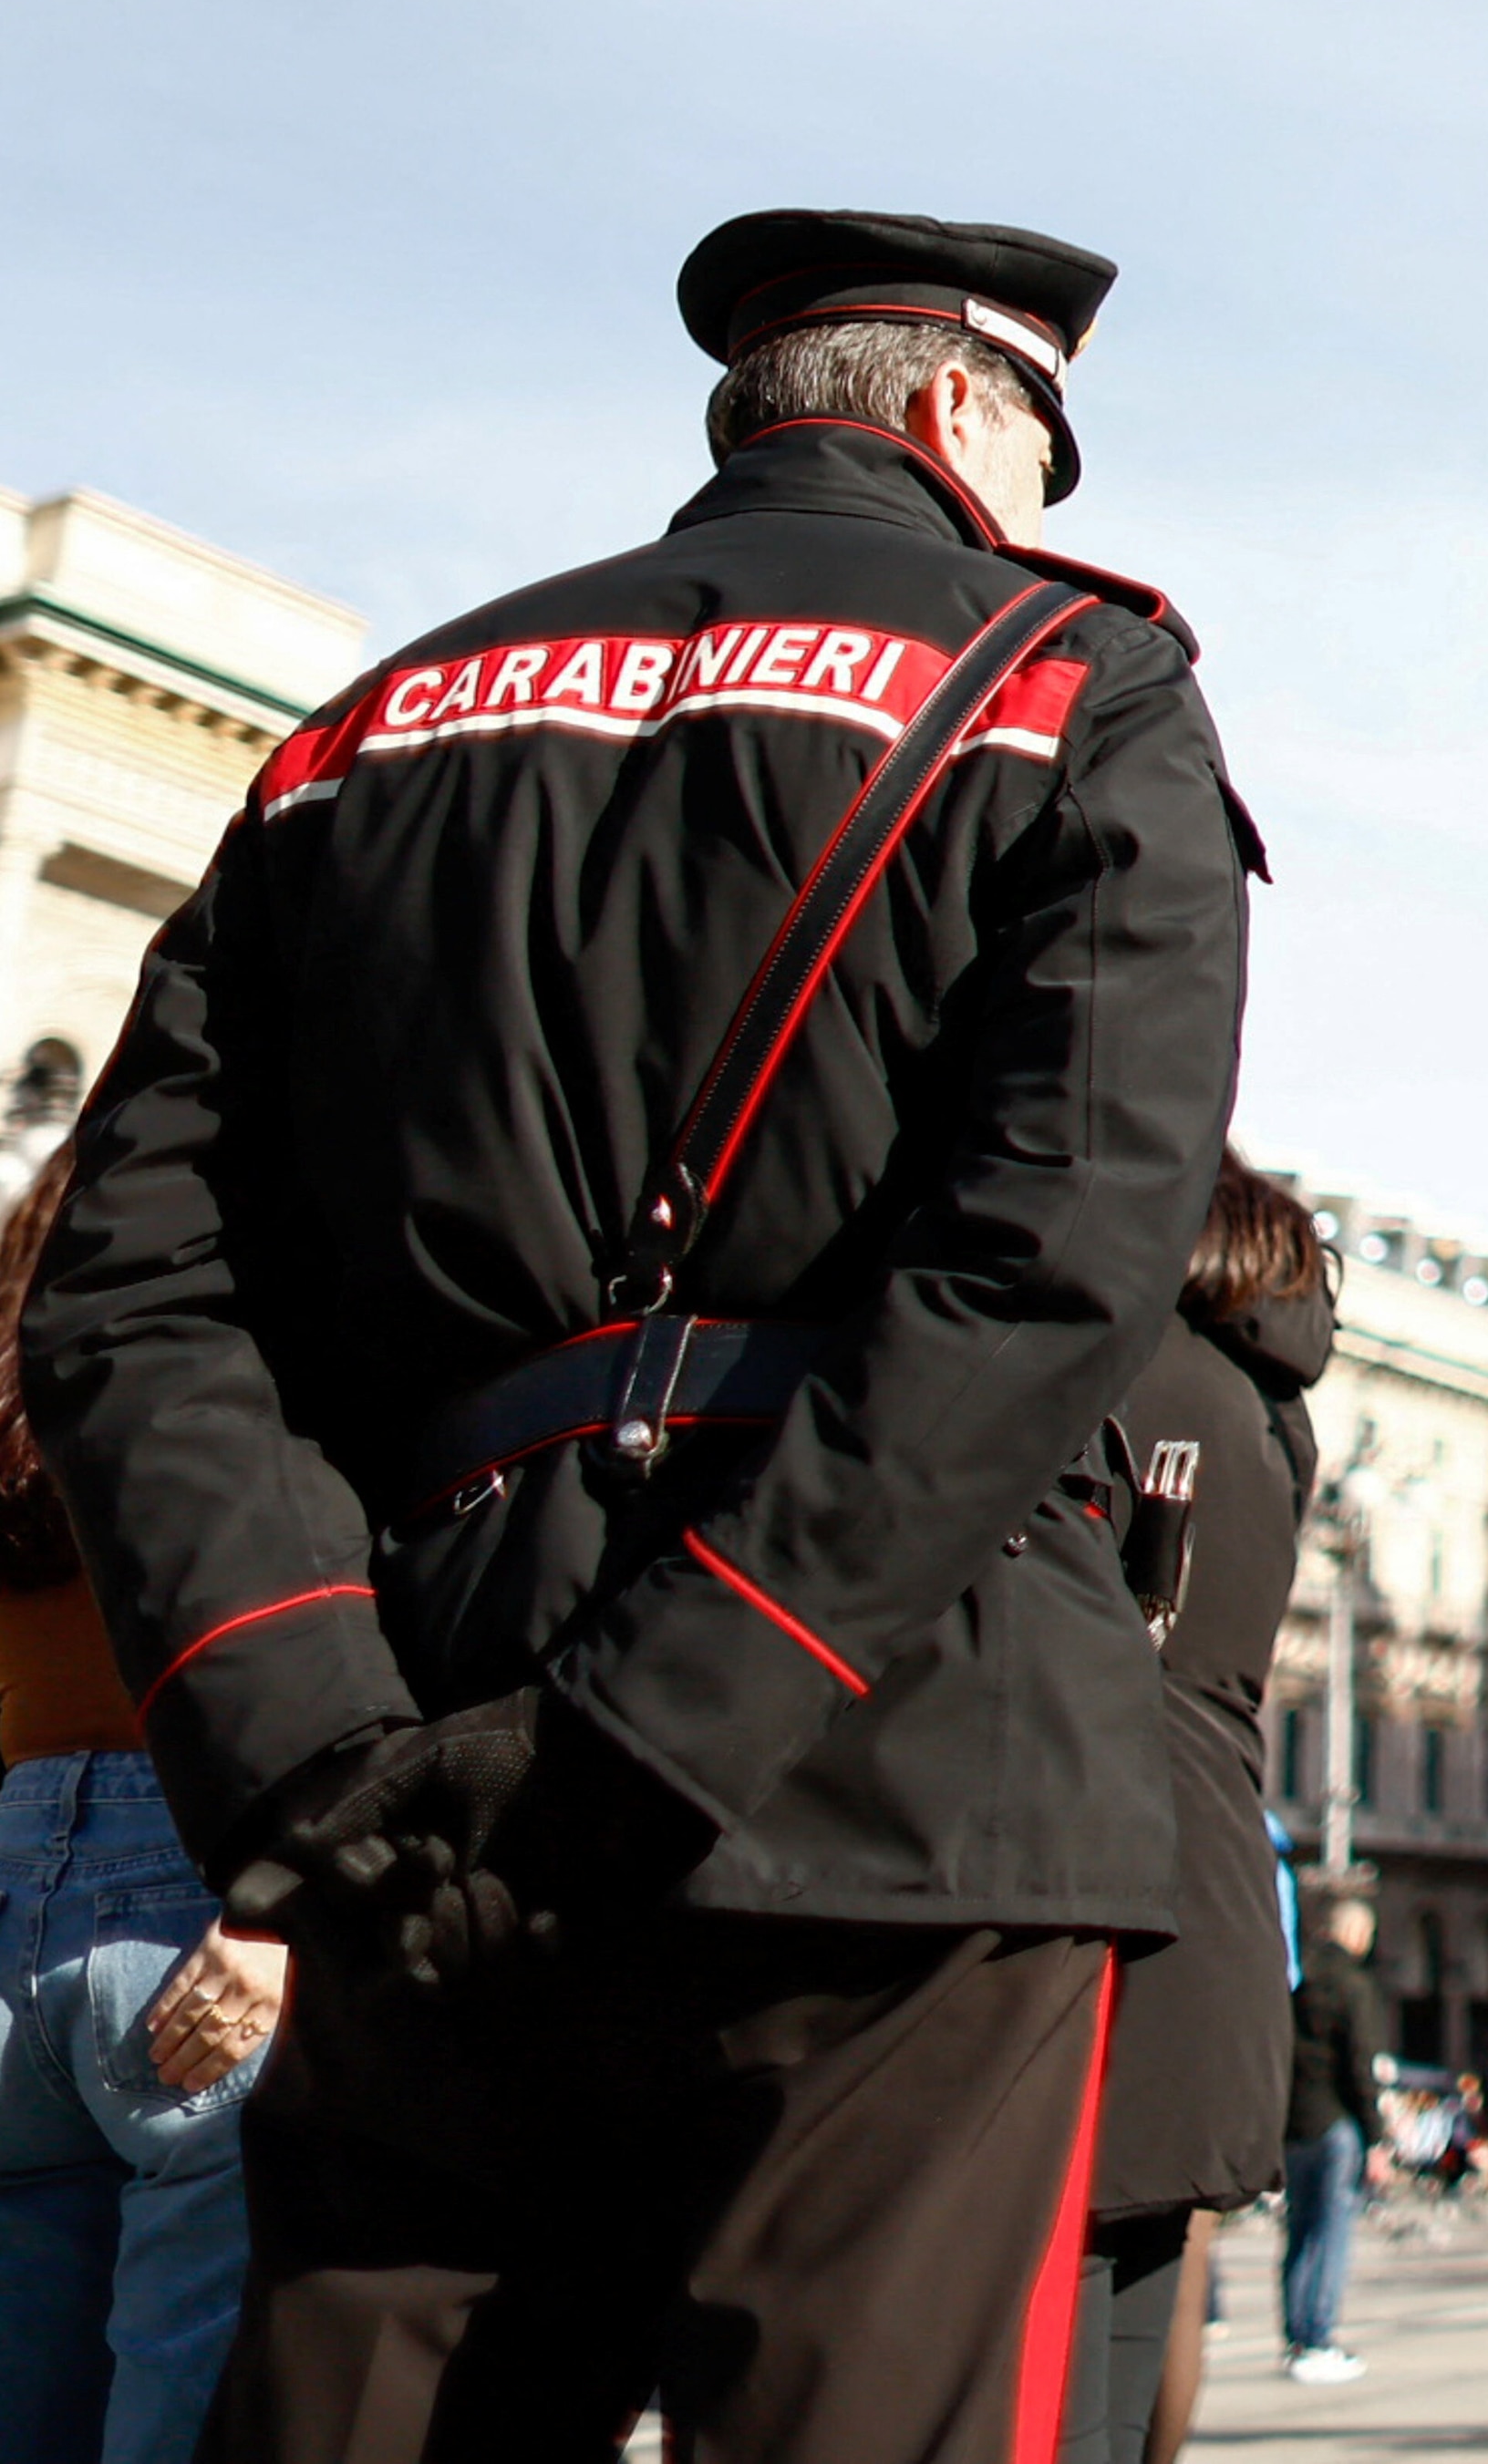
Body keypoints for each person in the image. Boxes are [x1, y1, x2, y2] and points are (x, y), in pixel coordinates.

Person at [29, 210, 1248, 2459]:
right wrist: (684, 1696)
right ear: (961, 414)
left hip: (420, 1742)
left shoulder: (359, 732)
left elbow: (133, 1291)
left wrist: (315, 1734)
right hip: (898, 1750)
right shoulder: (1074, 681)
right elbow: (1054, 1251)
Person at [0, 1151, 284, 2463]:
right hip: (191, 1889)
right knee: (178, 2416)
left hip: (12, 1877)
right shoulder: (225, 1355)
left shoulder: (20, 1387)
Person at [1063, 1154, 1335, 2461]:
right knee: (1135, 2325)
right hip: (1220, 1899)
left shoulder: (1112, 1367)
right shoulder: (1272, 1416)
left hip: (1095, 1880)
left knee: (1043, 2367)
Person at [1278, 1893, 1394, 2384]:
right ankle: (1320, 2338)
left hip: (1294, 2123)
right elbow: (1360, 2065)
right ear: (1356, 1935)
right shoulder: (1354, 1985)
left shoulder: (1296, 1982)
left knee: (1299, 2232)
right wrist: (1377, 2138)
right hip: (1335, 2125)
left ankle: (1296, 2338)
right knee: (1331, 2233)